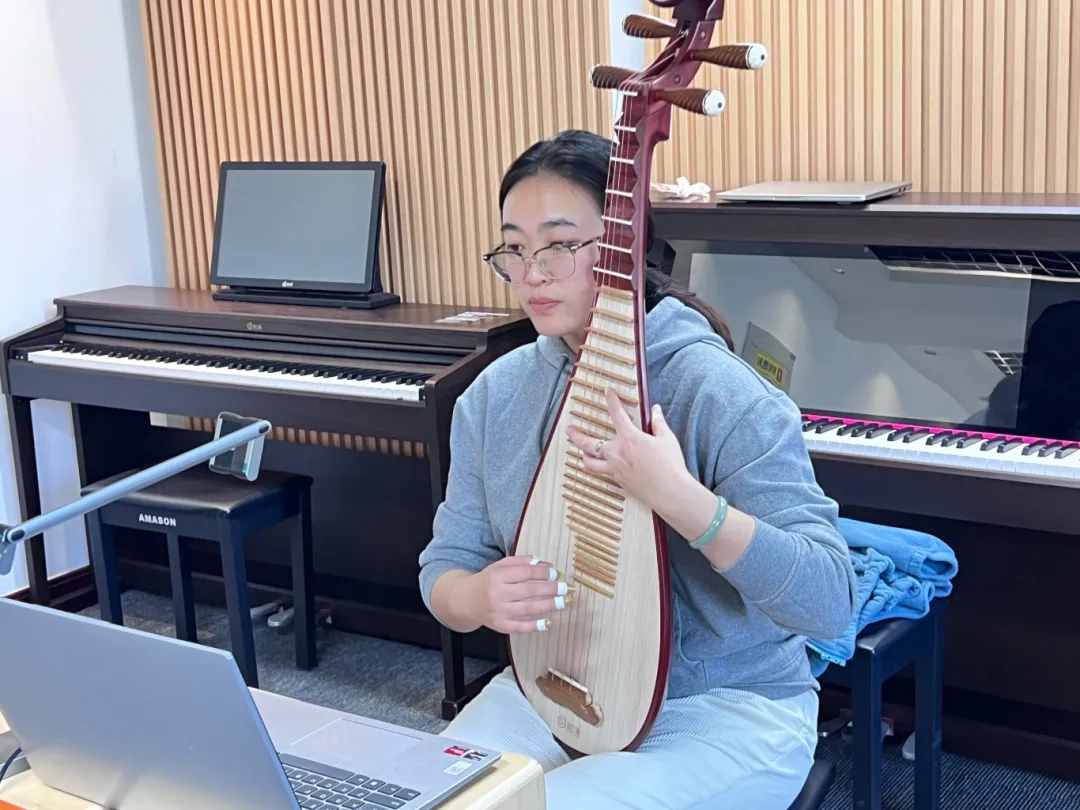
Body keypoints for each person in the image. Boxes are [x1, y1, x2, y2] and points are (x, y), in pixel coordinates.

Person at [417, 129, 857, 809]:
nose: (533, 272)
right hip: (553, 690)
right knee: (431, 797)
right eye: (514, 248)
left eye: (560, 245)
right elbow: (444, 566)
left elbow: (829, 602)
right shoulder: (493, 398)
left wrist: (681, 498)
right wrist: (475, 597)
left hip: (722, 708)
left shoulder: (718, 391)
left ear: (625, 245)